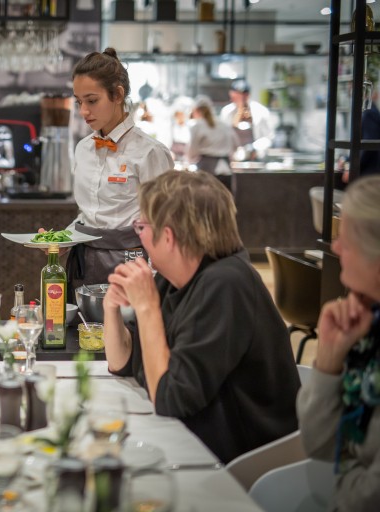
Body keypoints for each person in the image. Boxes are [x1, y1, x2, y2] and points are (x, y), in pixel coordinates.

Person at [102, 170, 300, 463]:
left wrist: (146, 308)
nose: (139, 235)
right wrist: (111, 309)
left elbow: (170, 399)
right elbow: (124, 363)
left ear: (167, 236)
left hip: (242, 465)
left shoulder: (226, 284)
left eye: (141, 226)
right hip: (195, 442)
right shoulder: (172, 280)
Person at [297, 175, 380, 511]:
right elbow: (319, 444)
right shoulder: (366, 333)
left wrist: (348, 471)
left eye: (346, 239)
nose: (335, 247)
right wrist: (329, 360)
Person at [66, 48, 174, 290]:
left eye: (92, 101)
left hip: (131, 262)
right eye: (79, 101)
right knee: (83, 327)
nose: (83, 111)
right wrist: (64, 238)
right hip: (83, 260)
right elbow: (88, 214)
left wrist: (158, 284)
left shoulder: (150, 152)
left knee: (128, 327)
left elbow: (163, 222)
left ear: (117, 94)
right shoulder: (83, 149)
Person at [187, 95, 239, 188]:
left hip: (207, 170)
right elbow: (236, 145)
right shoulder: (224, 125)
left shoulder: (197, 126)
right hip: (226, 169)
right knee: (226, 200)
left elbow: (192, 151)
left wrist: (190, 160)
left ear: (197, 110)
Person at [219, 78, 273, 161]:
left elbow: (268, 137)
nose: (241, 98)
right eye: (237, 94)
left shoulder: (261, 111)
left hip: (255, 157)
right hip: (232, 157)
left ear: (248, 95)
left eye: (243, 95)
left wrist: (254, 148)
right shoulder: (227, 112)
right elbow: (222, 135)